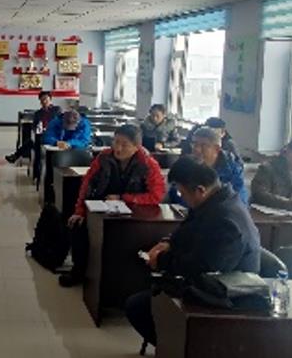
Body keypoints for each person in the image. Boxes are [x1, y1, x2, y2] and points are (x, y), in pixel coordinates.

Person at [125, 157, 260, 347]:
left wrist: (162, 260)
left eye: (182, 192)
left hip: (226, 293)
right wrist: (168, 243)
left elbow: (203, 266)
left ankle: (179, 349)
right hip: (209, 280)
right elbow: (187, 232)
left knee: (138, 307)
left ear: (200, 190)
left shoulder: (225, 221)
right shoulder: (214, 201)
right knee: (149, 290)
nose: (181, 197)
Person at [59, 124, 165, 287]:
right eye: (115, 142)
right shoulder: (103, 157)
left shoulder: (148, 164)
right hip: (100, 208)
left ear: (137, 146)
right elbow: (87, 184)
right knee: (78, 226)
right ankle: (79, 271)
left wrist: (124, 198)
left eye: (124, 144)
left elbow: (156, 196)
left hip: (133, 213)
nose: (118, 148)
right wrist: (80, 211)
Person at [168, 127, 247, 204]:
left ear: (217, 149)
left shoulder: (232, 170)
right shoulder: (188, 165)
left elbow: (240, 200)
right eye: (194, 144)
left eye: (203, 145)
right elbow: (175, 193)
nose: (197, 149)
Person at [5, 91, 61, 164]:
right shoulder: (38, 113)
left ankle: (16, 156)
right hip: (42, 135)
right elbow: (34, 126)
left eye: (45, 99)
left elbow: (60, 123)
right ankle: (17, 157)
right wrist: (37, 129)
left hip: (54, 135)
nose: (44, 101)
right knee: (31, 141)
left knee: (32, 143)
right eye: (42, 100)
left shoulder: (56, 110)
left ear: (50, 99)